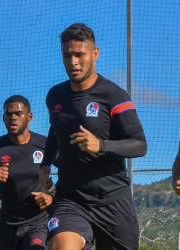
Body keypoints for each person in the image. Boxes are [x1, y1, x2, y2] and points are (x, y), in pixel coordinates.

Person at [41, 23, 147, 250]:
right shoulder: (55, 96)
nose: (73, 62)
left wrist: (101, 144)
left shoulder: (114, 96)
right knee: (62, 246)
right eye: (67, 55)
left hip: (112, 200)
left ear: (95, 53)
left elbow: (139, 145)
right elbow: (55, 130)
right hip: (71, 198)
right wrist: (45, 164)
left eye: (80, 54)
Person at [0, 95, 53, 250]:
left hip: (38, 223)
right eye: (9, 114)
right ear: (3, 118)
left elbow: (71, 172)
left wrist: (51, 196)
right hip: (9, 226)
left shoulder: (46, 145)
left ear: (29, 116)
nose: (13, 117)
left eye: (18, 113)